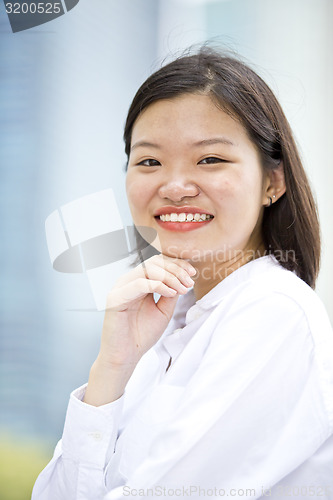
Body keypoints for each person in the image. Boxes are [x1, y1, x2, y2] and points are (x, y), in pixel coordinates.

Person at [32, 47, 333, 500]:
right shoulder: (168, 322)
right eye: (149, 161)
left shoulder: (273, 313)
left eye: (210, 160)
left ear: (273, 182)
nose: (174, 187)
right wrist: (112, 367)